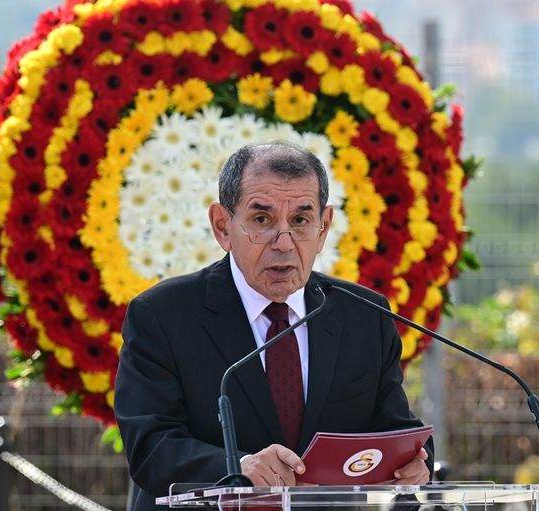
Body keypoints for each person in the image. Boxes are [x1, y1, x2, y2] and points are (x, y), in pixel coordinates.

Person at [114, 141, 432, 510]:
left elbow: (395, 429)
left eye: (300, 221)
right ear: (222, 226)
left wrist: (415, 463)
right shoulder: (162, 315)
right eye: (262, 220)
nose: (284, 243)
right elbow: (150, 447)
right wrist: (238, 469)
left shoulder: (365, 315)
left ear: (323, 228)